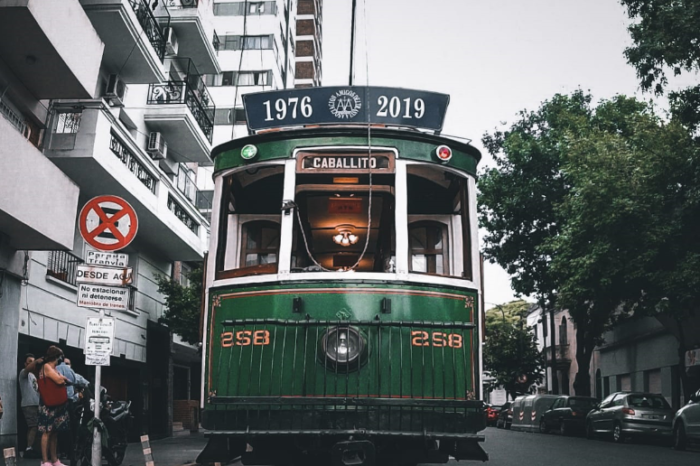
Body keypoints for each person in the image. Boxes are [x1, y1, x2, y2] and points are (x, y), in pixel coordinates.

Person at [27, 346, 70, 466]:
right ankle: (45, 461)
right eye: (60, 356)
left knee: (54, 432)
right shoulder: (46, 366)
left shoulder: (54, 368)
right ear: (55, 356)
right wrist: (62, 378)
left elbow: (60, 378)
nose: (60, 359)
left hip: (55, 404)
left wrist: (62, 377)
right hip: (48, 405)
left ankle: (55, 459)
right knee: (47, 432)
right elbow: (59, 380)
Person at [19, 353, 41, 458]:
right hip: (29, 404)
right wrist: (36, 362)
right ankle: (28, 448)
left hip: (35, 404)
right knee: (33, 426)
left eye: (33, 361)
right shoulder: (24, 373)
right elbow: (28, 369)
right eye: (30, 362)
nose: (32, 364)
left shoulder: (33, 375)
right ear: (25, 364)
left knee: (33, 427)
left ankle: (30, 447)